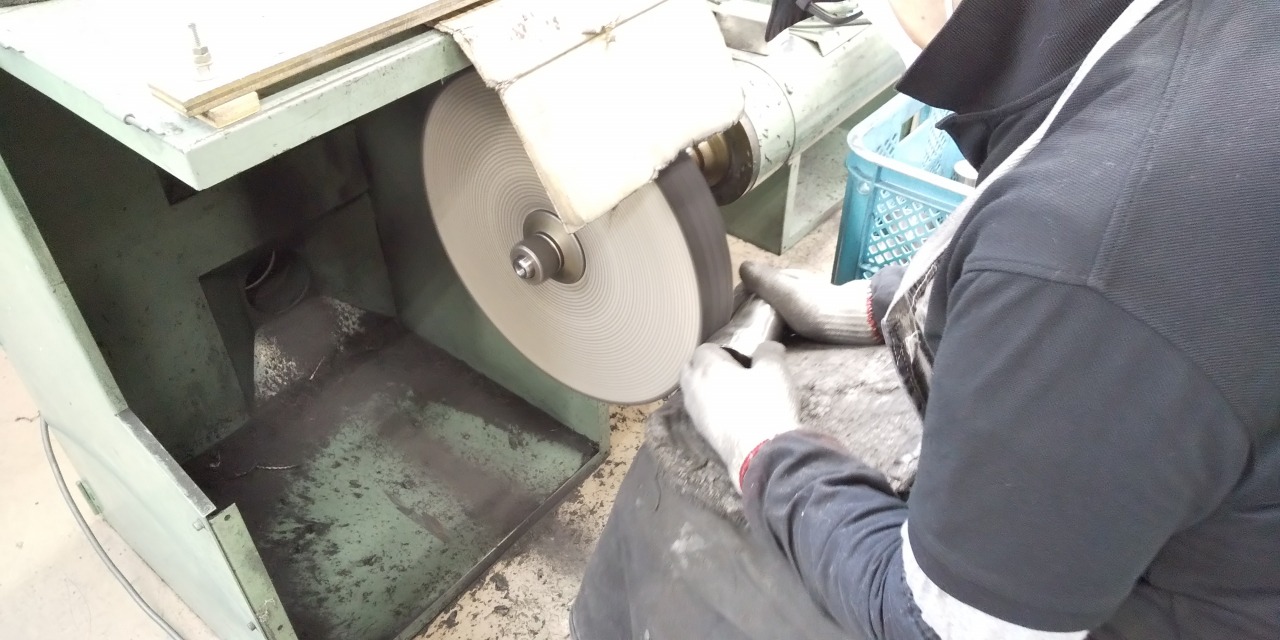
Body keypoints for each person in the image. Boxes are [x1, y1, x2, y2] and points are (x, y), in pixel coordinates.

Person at [573, 0, 1280, 638]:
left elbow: (945, 626)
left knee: (682, 493)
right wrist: (889, 305)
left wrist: (765, 451)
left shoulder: (1091, 254)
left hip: (1182, 611)